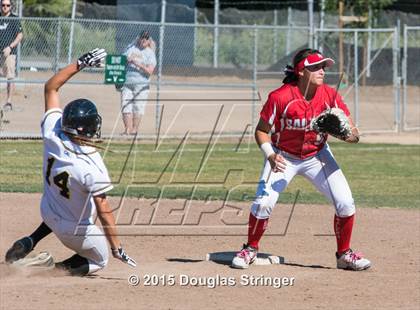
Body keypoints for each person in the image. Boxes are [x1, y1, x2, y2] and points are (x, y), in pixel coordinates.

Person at [231, 48, 371, 271]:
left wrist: (344, 133)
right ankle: (250, 248)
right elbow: (261, 131)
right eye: (315, 67)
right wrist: (270, 155)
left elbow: (355, 136)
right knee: (263, 203)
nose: (322, 71)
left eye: (323, 66)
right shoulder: (280, 97)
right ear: (301, 71)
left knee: (345, 202)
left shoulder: (330, 96)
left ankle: (344, 255)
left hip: (317, 155)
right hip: (283, 155)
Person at [4, 48, 136, 276]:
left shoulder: (52, 131)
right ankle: (50, 268)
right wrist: (117, 247)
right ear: (88, 129)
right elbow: (104, 211)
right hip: (71, 229)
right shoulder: (92, 163)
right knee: (100, 259)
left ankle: (31, 240)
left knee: (63, 205)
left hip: (47, 209)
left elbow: (51, 87)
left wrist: (80, 63)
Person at [120, 30, 156, 135]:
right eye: (142, 37)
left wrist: (137, 63)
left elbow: (150, 71)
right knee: (125, 105)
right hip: (127, 82)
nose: (144, 40)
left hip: (142, 84)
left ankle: (134, 130)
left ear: (148, 40)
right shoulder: (131, 48)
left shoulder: (150, 53)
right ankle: (127, 130)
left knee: (138, 107)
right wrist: (127, 60)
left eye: (146, 38)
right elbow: (121, 60)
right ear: (139, 38)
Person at [0, 0, 23, 111]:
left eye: (7, 5)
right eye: (3, 5)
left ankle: (9, 102)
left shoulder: (14, 19)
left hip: (9, 53)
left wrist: (10, 47)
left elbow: (19, 36)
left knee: (10, 77)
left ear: (11, 6)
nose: (5, 7)